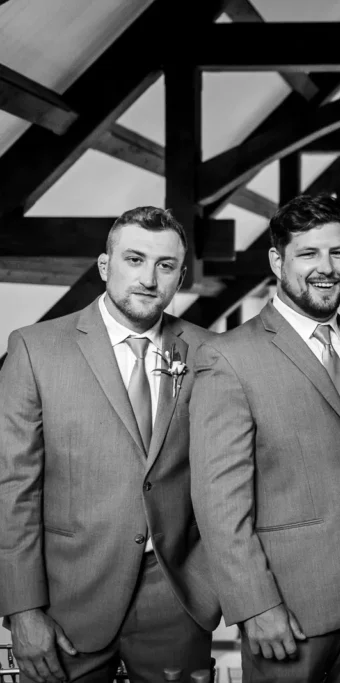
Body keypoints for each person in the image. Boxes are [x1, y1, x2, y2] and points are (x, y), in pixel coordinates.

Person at [0, 207, 220, 683]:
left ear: (180, 276)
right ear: (105, 266)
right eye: (134, 260)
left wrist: (214, 587)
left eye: (165, 266)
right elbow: (13, 487)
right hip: (67, 598)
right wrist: (23, 609)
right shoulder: (35, 349)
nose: (148, 278)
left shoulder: (210, 353)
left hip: (178, 598)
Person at [189, 193, 340, 682]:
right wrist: (254, 604)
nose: (326, 268)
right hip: (290, 608)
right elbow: (218, 502)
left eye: (338, 253)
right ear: (276, 261)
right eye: (308, 254)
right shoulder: (229, 358)